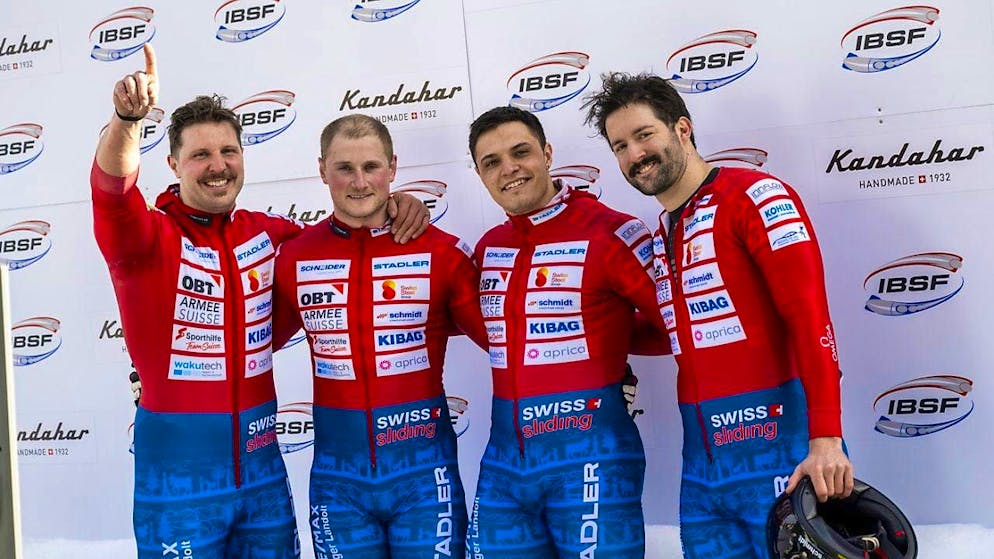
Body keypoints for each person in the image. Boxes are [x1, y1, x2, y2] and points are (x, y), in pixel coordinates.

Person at [92, 44, 427, 559]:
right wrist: (127, 121)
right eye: (201, 154)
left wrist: (396, 201)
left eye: (229, 152)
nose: (217, 166)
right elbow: (113, 190)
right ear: (174, 163)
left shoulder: (272, 234)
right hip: (179, 482)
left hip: (263, 475)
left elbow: (344, 238)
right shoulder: (145, 237)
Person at [582, 72, 854, 559]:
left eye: (644, 135)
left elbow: (811, 320)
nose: (634, 154)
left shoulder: (756, 196)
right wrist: (583, 330)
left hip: (784, 453)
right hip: (704, 471)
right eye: (620, 145)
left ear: (682, 129)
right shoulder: (660, 230)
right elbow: (675, 332)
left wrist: (826, 439)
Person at [271, 114, 488, 559]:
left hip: (426, 482)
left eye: (371, 167)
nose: (359, 182)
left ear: (392, 167)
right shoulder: (294, 256)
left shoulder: (442, 251)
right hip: (338, 484)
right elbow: (247, 341)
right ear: (321, 170)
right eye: (344, 168)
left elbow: (510, 341)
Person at [465, 106, 668, 558]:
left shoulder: (613, 231)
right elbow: (497, 335)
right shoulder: (489, 247)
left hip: (592, 464)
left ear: (548, 153)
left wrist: (608, 343)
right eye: (491, 162)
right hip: (504, 469)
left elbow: (677, 327)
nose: (509, 169)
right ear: (479, 175)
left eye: (521, 152)